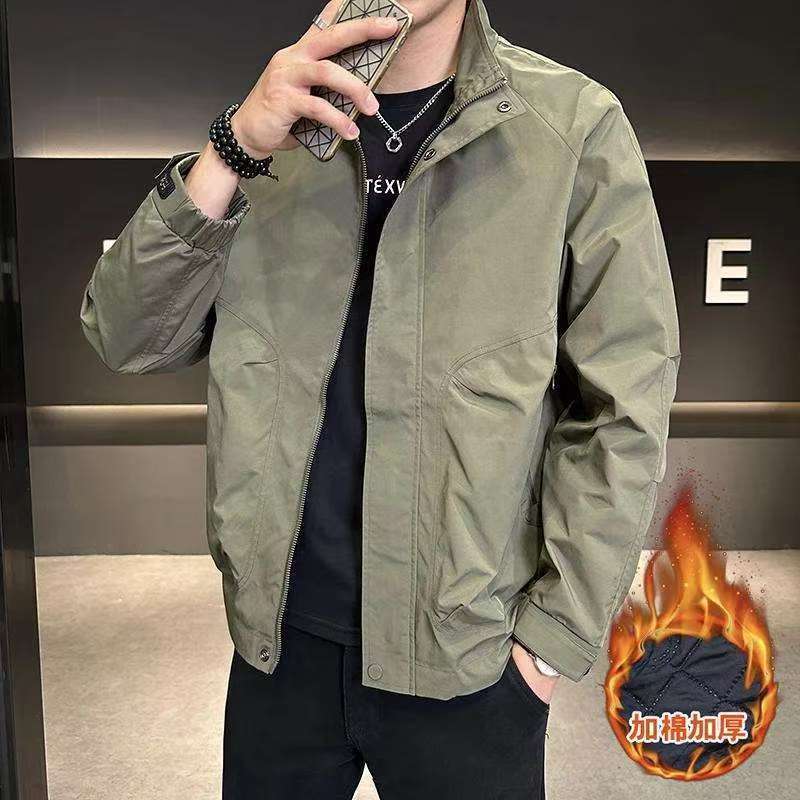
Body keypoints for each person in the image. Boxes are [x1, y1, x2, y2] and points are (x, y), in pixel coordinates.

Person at [79, 0, 680, 796]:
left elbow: (624, 405)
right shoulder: (273, 127)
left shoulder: (570, 126)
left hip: (467, 659)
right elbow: (126, 337)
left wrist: (547, 642)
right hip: (278, 645)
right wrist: (232, 148)